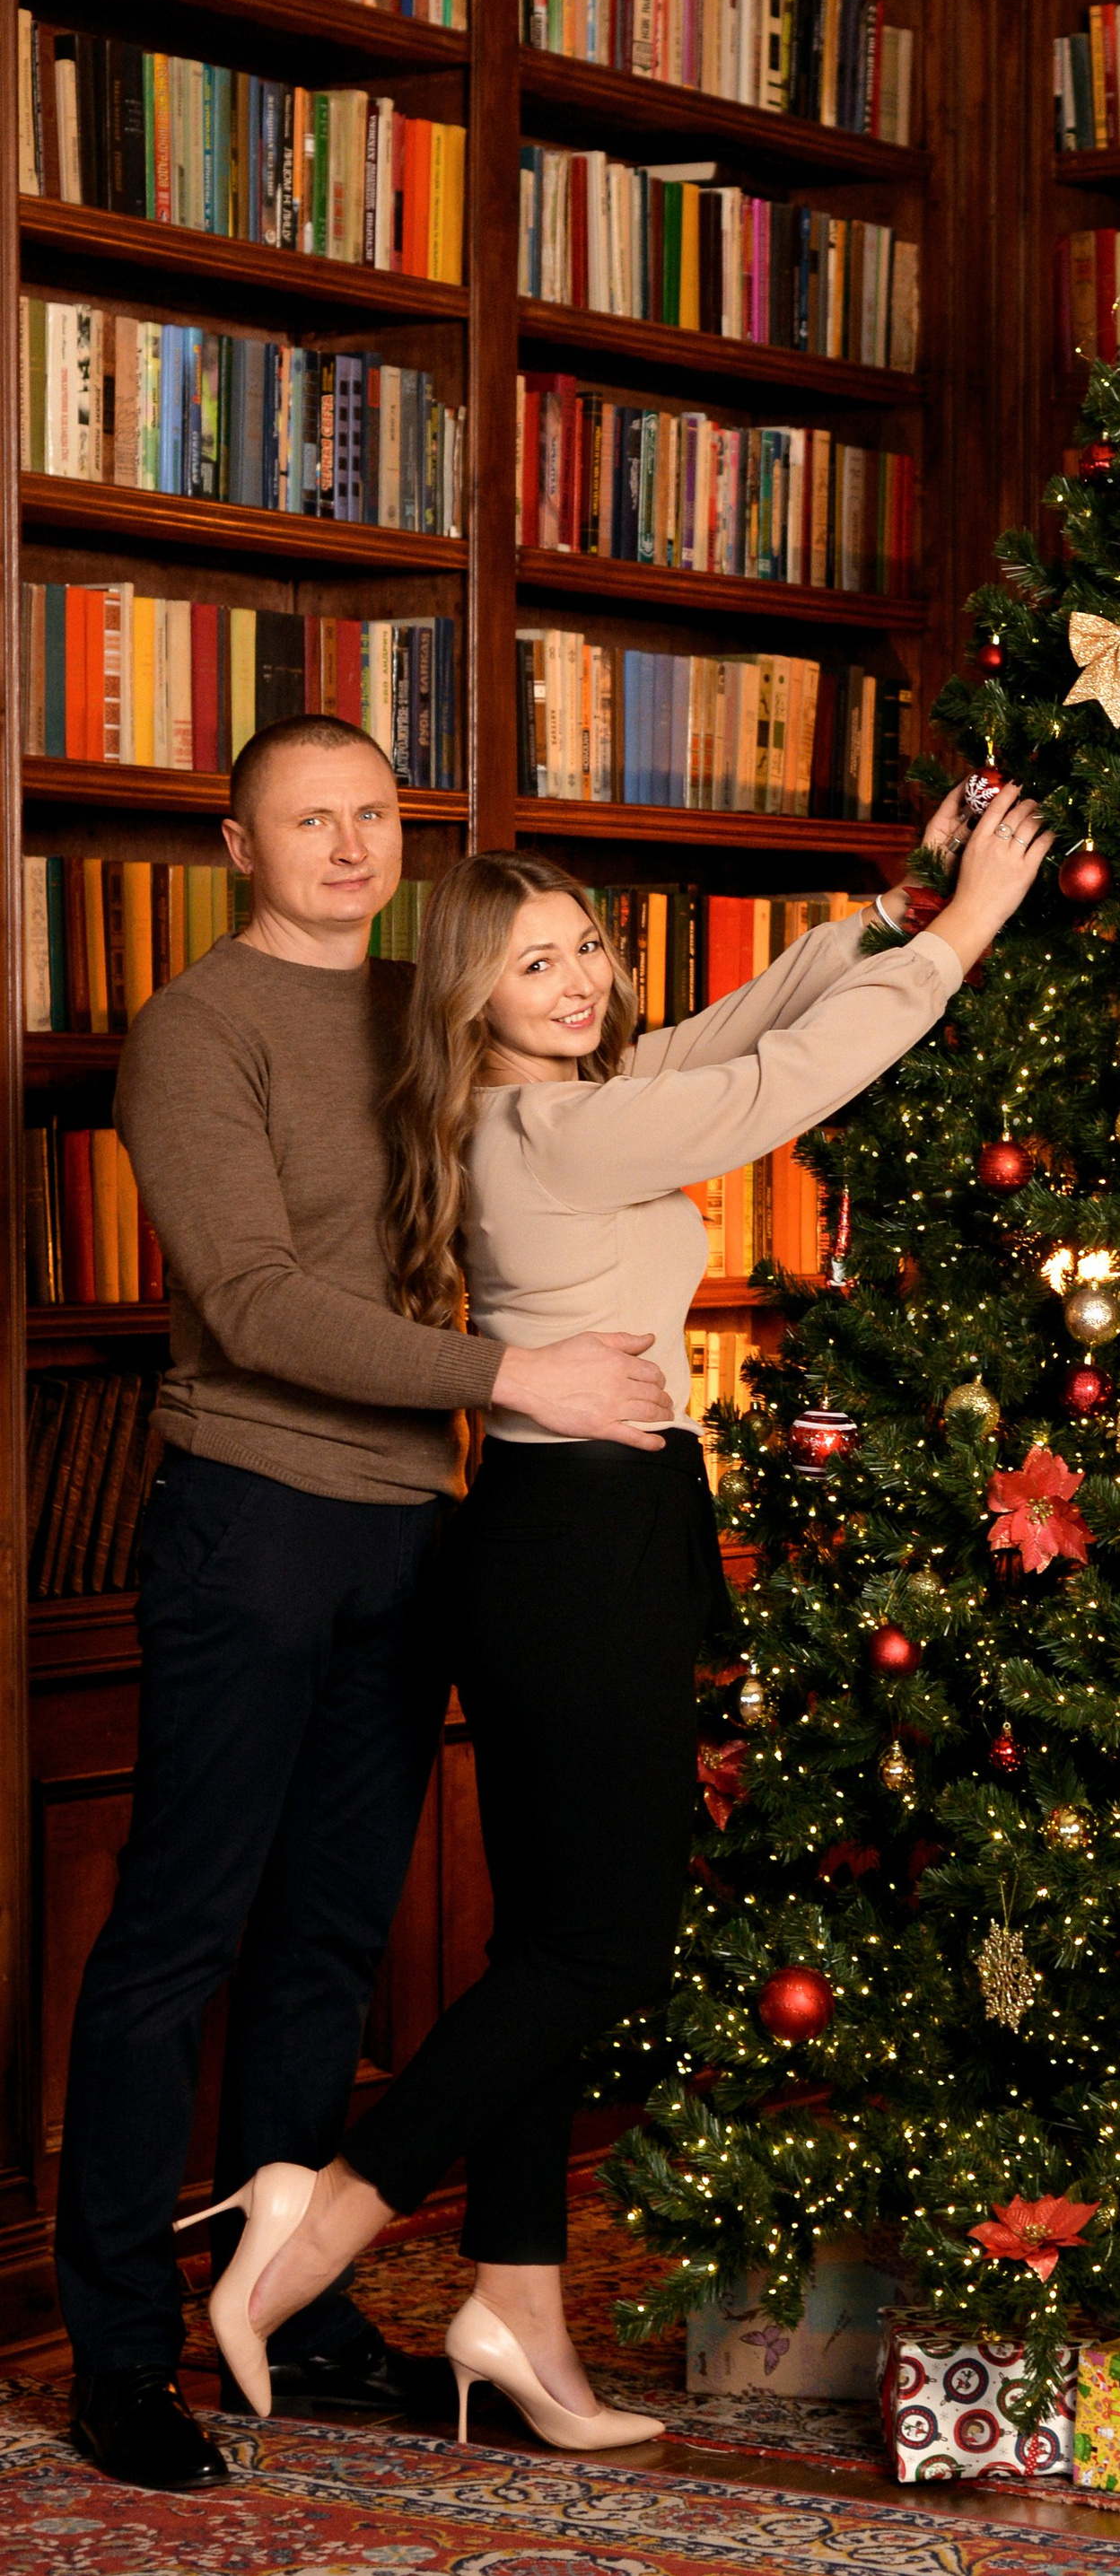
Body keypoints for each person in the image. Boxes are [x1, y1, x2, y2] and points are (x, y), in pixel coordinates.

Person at [191, 785, 1049, 2452]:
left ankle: (512, 2303)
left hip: (577, 1532)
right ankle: (309, 2233)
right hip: (575, 1549)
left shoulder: (560, 1100)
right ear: (472, 998)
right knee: (605, 1943)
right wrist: (962, 937)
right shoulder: (561, 1132)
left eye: (589, 947)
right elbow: (786, 1081)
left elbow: (740, 1023)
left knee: (548, 1946)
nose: (582, 980)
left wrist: (885, 916)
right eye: (538, 963)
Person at [63, 716, 678, 2494]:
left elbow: (631, 1076)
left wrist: (883, 952)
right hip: (251, 1516)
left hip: (421, 1522)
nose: (346, 846)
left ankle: (303, 2320)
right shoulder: (197, 1031)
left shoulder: (436, 996)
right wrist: (514, 1372)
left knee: (334, 1942)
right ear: (240, 848)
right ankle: (121, 2348)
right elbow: (251, 1298)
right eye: (306, 821)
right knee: (180, 1932)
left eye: (372, 818)